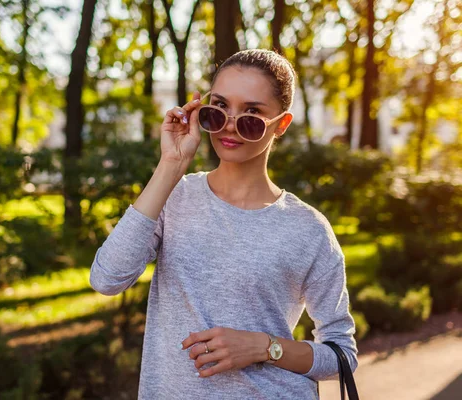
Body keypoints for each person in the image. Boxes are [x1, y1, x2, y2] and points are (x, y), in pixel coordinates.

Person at [89, 49, 358, 399]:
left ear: (281, 125)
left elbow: (341, 356)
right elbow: (107, 279)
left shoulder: (308, 228)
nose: (230, 124)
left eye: (252, 113)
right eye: (219, 107)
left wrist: (264, 347)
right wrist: (171, 164)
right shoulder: (174, 196)